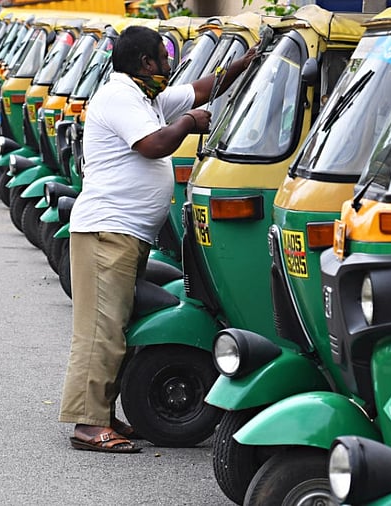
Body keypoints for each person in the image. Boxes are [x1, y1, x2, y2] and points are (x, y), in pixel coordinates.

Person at [58, 25, 259, 453]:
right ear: (146, 63)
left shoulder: (144, 97)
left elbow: (200, 90)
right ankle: (88, 425)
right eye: (164, 60)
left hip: (123, 232)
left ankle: (102, 415)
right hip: (105, 231)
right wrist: (188, 123)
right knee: (101, 330)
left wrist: (250, 63)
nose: (169, 68)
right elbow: (152, 145)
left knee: (116, 327)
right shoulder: (120, 98)